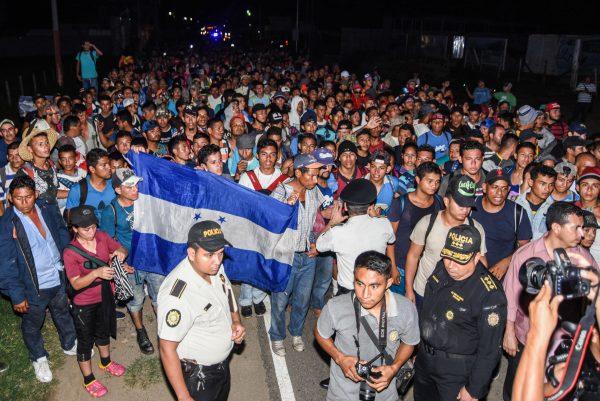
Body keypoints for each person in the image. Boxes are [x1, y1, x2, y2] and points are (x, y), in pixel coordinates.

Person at [502, 201, 599, 401]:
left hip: (567, 341)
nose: (582, 234)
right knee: (518, 385)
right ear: (556, 227)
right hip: (527, 336)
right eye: (577, 228)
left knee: (559, 388)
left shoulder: (584, 259)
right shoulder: (526, 255)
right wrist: (508, 332)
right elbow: (510, 295)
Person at [414, 225, 506, 401]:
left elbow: (490, 350)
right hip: (425, 360)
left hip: (456, 370)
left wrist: (474, 389)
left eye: (460, 261)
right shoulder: (442, 266)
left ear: (477, 257)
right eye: (449, 257)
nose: (451, 265)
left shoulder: (490, 295)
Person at [0, 175, 77, 383]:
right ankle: (39, 357)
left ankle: (69, 343)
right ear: (9, 198)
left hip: (58, 274)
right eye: (18, 198)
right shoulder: (7, 225)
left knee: (62, 310)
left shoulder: (47, 207)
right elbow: (5, 265)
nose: (24, 202)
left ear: (35, 194)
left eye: (28, 196)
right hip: (33, 285)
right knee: (33, 323)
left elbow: (62, 233)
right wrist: (16, 295)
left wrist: (70, 264)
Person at [157, 221, 245, 401]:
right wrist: (183, 396)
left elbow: (228, 293)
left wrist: (236, 320)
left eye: (220, 253)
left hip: (222, 366)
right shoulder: (178, 295)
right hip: (199, 376)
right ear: (191, 253)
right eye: (209, 255)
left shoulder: (214, 267)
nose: (217, 261)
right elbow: (167, 348)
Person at [314, 251, 419, 401]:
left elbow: (410, 342)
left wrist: (394, 368)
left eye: (374, 286)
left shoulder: (406, 308)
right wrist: (340, 358)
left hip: (386, 395)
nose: (365, 294)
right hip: (343, 394)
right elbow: (320, 333)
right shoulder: (335, 306)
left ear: (388, 283)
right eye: (360, 283)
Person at [63, 205, 130, 397]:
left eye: (93, 226)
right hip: (84, 302)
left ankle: (106, 361)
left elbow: (119, 247)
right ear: (74, 229)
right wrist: (97, 273)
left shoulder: (101, 236)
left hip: (105, 296)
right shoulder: (70, 252)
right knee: (85, 341)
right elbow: (75, 284)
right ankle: (88, 379)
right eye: (85, 229)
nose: (91, 231)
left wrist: (121, 253)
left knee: (103, 331)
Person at [270, 153, 329, 356]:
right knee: (280, 300)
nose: (315, 179)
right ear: (298, 172)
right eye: (311, 175)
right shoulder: (281, 190)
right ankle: (277, 337)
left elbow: (318, 219)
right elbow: (269, 220)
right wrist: (285, 207)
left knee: (302, 300)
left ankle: (295, 332)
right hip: (286, 257)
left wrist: (317, 243)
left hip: (308, 256)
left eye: (317, 175)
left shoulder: (313, 191)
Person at [100, 168, 162, 355]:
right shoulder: (111, 211)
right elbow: (107, 243)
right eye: (129, 186)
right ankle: (141, 331)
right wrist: (119, 265)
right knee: (136, 300)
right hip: (131, 265)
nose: (135, 189)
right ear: (118, 190)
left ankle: (164, 331)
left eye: (136, 184)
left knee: (160, 296)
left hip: (152, 259)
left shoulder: (144, 202)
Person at [404, 175, 488, 307]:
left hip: (458, 295)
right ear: (446, 201)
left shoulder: (476, 228)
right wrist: (409, 290)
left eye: (468, 205)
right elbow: (413, 256)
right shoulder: (427, 223)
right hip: (424, 291)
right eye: (460, 204)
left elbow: (481, 261)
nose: (465, 209)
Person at [316, 179, 395, 294]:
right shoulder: (385, 224)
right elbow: (391, 240)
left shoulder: (337, 233)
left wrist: (331, 223)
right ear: (370, 207)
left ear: (346, 207)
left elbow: (319, 245)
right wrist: (376, 217)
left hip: (348, 291)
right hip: (376, 290)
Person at [236, 139, 285, 318]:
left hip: (272, 231)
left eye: (272, 154)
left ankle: (258, 297)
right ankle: (245, 300)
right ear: (257, 155)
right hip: (250, 229)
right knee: (250, 264)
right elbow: (240, 204)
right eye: (264, 154)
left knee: (266, 264)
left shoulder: (284, 179)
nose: (268, 158)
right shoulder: (247, 177)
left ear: (277, 156)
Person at [388, 162, 444, 295]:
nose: (434, 185)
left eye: (437, 182)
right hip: (401, 265)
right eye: (430, 181)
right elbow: (389, 239)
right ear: (418, 180)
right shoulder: (400, 203)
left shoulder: (439, 202)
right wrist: (393, 267)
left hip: (426, 266)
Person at [471, 169, 532, 280]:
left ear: (509, 189)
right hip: (471, 272)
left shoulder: (517, 212)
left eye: (504, 188)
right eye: (495, 187)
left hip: (503, 276)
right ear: (484, 187)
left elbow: (525, 246)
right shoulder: (471, 207)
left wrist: (507, 262)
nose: (499, 193)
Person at [16, 127, 62, 206]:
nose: (46, 146)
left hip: (54, 211)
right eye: (40, 144)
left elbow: (55, 192)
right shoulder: (25, 172)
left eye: (47, 142)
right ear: (30, 149)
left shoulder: (51, 164)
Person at [66, 148, 115, 219]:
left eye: (109, 164)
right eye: (104, 165)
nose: (109, 167)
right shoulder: (78, 190)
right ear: (92, 169)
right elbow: (71, 217)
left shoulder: (114, 184)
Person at [515, 164, 557, 239]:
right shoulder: (515, 203)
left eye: (551, 185)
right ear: (531, 182)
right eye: (543, 184)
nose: (547, 189)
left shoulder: (554, 208)